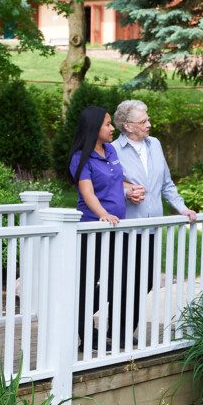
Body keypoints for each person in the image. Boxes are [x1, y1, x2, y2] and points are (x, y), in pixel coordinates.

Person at [112, 100, 197, 343]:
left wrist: (182, 208)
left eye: (148, 119)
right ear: (128, 126)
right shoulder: (114, 150)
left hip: (152, 227)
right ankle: (121, 331)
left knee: (146, 280)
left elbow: (166, 183)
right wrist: (127, 192)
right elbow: (105, 185)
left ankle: (123, 329)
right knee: (125, 280)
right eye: (143, 121)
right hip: (126, 228)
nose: (150, 124)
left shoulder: (155, 144)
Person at [69, 106, 125, 351]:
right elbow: (87, 192)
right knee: (88, 282)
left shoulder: (110, 150)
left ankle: (84, 325)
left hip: (114, 230)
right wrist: (103, 214)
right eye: (107, 124)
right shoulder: (80, 158)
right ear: (94, 128)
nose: (112, 128)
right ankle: (85, 333)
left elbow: (114, 181)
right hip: (92, 230)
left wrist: (130, 189)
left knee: (116, 280)